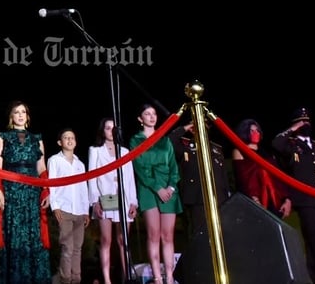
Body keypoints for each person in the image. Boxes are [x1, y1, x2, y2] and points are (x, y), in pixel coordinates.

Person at [272, 107, 315, 284]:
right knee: (312, 241)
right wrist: (293, 130)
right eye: (302, 121)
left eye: (307, 121)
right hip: (306, 201)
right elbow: (276, 144)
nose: (306, 124)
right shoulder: (290, 145)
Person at [0, 100, 52, 283]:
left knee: (33, 235)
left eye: (23, 112)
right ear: (11, 116)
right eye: (16, 112)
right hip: (11, 191)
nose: (20, 115)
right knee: (14, 235)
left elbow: (41, 167)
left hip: (32, 193)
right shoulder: (2, 137)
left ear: (27, 116)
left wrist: (46, 191)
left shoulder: (37, 139)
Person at [130, 104, 181, 284]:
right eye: (147, 114)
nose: (151, 117)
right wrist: (157, 188)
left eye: (154, 114)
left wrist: (170, 187)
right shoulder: (135, 140)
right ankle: (157, 277)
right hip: (148, 190)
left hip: (168, 190)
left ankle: (170, 276)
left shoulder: (165, 140)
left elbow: (174, 167)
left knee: (168, 235)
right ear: (140, 118)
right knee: (153, 234)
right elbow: (140, 168)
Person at [88, 117, 138, 284]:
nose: (111, 131)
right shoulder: (95, 151)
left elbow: (130, 178)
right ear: (103, 131)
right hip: (105, 198)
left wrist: (133, 201)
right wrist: (94, 201)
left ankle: (127, 277)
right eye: (108, 128)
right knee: (106, 240)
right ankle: (107, 279)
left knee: (123, 240)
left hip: (123, 199)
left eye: (114, 128)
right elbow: (92, 177)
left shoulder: (124, 151)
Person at [168, 121, 230, 236]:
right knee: (199, 233)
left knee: (220, 234)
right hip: (197, 199)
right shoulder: (186, 146)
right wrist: (185, 127)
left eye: (204, 124)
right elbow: (169, 141)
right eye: (198, 124)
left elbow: (223, 177)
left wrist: (227, 196)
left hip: (219, 198)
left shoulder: (216, 148)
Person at [48, 127, 91, 284]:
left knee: (77, 248)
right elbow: (51, 183)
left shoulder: (80, 164)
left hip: (79, 210)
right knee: (67, 247)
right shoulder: (54, 160)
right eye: (66, 138)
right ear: (60, 142)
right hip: (64, 209)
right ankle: (65, 279)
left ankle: (76, 278)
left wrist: (86, 211)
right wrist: (55, 206)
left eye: (72, 137)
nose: (70, 140)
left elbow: (83, 188)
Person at [231, 118, 291, 219]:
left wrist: (287, 199)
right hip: (255, 201)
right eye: (252, 131)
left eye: (257, 130)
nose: (256, 133)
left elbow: (278, 177)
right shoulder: (239, 151)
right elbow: (243, 178)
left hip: (275, 201)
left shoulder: (268, 154)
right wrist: (253, 198)